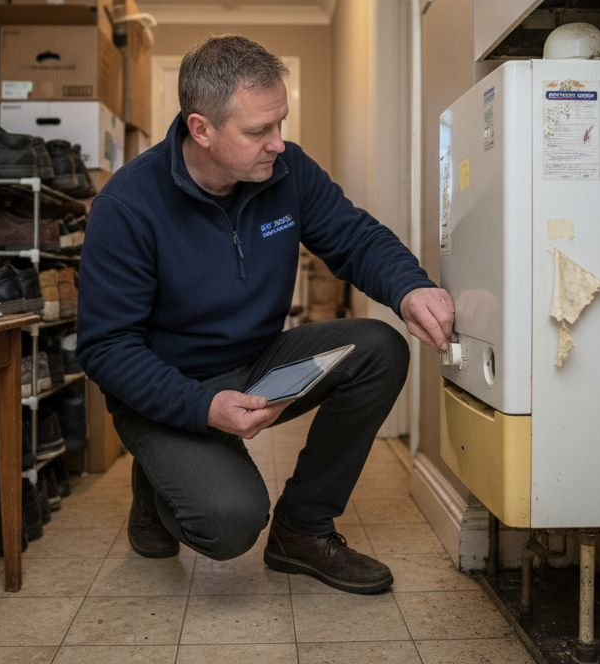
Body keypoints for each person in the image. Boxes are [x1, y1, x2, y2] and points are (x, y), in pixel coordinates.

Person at [77, 35, 454, 594]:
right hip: (168, 388)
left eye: (281, 123)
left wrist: (410, 288)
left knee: (380, 347)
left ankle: (302, 530)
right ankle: (156, 481)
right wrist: (202, 406)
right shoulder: (127, 207)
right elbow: (106, 348)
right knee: (228, 526)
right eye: (259, 131)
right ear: (201, 129)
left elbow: (353, 237)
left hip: (258, 363)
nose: (279, 143)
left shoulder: (287, 171)